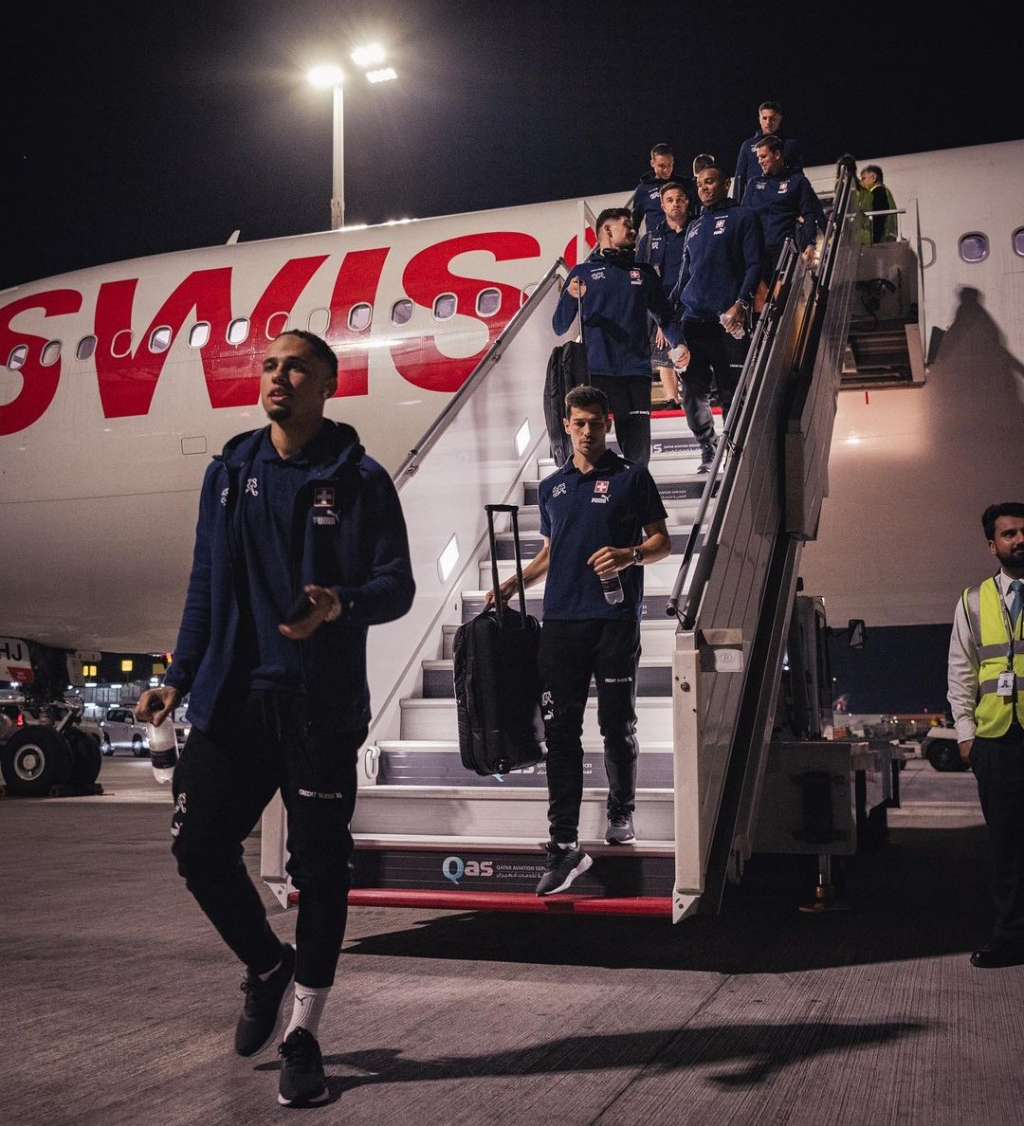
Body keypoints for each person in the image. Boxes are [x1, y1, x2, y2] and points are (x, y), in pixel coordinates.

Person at [136, 329, 415, 1106]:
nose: (277, 376)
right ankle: (266, 964)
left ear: (328, 383)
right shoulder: (228, 473)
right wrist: (176, 678)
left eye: (296, 366)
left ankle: (304, 1033)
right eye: (269, 365)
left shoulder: (361, 480)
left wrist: (341, 604)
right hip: (231, 698)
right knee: (197, 847)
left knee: (320, 875)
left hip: (318, 708)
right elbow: (203, 586)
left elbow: (397, 587)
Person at [488, 384, 671, 895]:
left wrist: (629, 555)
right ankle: (562, 841)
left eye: (595, 422)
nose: (587, 431)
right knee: (562, 735)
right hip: (561, 625)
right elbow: (551, 553)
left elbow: (661, 541)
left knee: (617, 724)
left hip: (614, 622)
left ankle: (621, 812)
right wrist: (513, 584)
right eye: (579, 423)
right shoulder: (552, 488)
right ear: (566, 426)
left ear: (608, 424)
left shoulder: (632, 477)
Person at [947, 502, 1024, 969]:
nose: (1020, 539)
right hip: (997, 741)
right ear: (991, 545)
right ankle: (1010, 937)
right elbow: (962, 671)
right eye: (1010, 533)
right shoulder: (974, 601)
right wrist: (965, 735)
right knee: (1006, 848)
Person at [552, 207, 685, 467]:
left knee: (638, 453)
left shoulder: (644, 273)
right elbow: (558, 326)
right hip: (596, 376)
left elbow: (666, 316)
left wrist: (678, 342)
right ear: (607, 230)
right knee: (591, 449)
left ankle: (635, 500)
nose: (634, 230)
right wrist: (570, 297)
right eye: (626, 224)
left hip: (636, 374)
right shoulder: (583, 273)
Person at [670, 162, 764, 471]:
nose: (704, 187)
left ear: (725, 184)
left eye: (710, 181)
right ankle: (708, 449)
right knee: (692, 393)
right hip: (693, 322)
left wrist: (741, 303)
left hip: (729, 322)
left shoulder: (744, 216)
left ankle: (735, 450)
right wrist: (666, 315)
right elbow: (685, 274)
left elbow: (754, 264)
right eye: (700, 184)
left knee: (731, 391)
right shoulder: (695, 226)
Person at [635, 181, 693, 411]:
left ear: (687, 201)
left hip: (691, 301)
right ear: (662, 205)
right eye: (670, 200)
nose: (675, 204)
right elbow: (640, 274)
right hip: (660, 304)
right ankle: (672, 399)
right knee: (663, 349)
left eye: (679, 199)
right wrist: (658, 316)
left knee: (690, 349)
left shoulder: (697, 230)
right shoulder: (651, 238)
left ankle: (692, 397)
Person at [741, 134, 826, 282]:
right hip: (756, 252)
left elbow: (809, 214)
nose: (760, 161)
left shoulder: (797, 181)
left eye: (763, 156)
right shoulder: (754, 184)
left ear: (778, 154)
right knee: (758, 299)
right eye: (758, 158)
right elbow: (743, 218)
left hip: (784, 251)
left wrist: (810, 244)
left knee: (780, 299)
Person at [733, 100, 804, 200]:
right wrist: (737, 206)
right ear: (759, 119)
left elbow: (797, 175)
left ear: (779, 119)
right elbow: (740, 178)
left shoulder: (790, 144)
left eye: (772, 119)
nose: (768, 122)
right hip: (755, 200)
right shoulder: (748, 145)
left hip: (781, 198)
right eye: (764, 118)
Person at [629, 143, 698, 236]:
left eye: (670, 165)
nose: (667, 169)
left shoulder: (686, 184)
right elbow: (635, 221)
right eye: (662, 166)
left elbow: (697, 211)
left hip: (683, 239)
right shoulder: (643, 190)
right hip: (656, 243)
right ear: (652, 163)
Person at [859, 164, 899, 243]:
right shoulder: (886, 192)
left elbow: (878, 219)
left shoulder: (876, 192)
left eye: (864, 178)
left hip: (879, 240)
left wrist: (875, 239)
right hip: (888, 237)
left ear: (873, 177)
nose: (862, 183)